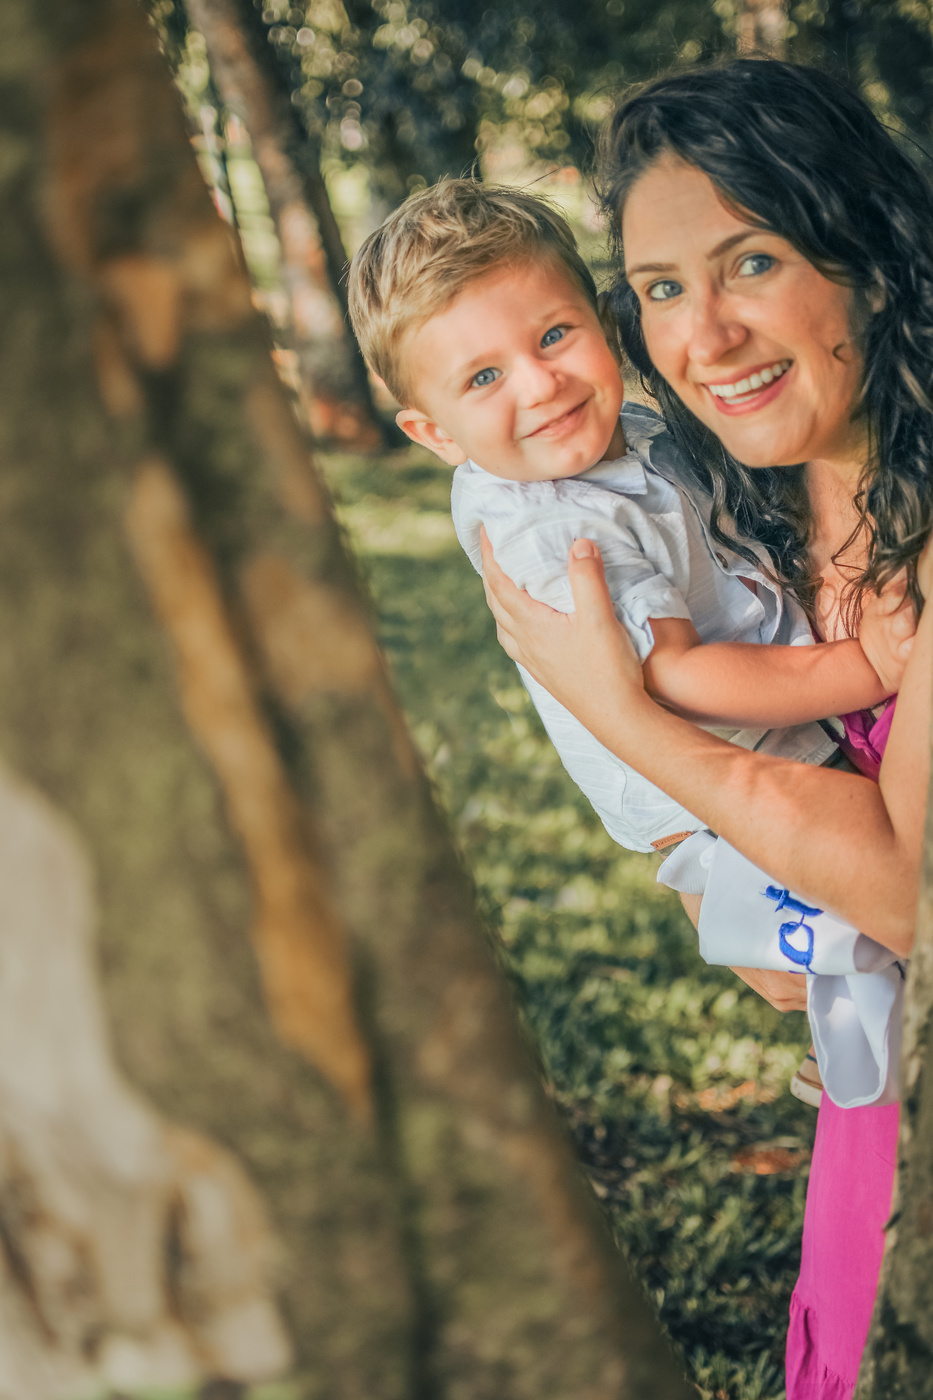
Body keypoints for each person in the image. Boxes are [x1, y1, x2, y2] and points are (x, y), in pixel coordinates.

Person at [480, 59, 933, 1398]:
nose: (706, 337)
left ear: (868, 261)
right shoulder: (742, 501)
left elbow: (906, 887)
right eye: (662, 289)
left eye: (752, 263)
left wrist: (628, 715)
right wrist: (729, 895)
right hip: (880, 1090)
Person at [347, 178, 911, 1106]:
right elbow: (680, 675)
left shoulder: (626, 433)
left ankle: (854, 1049)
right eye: (484, 378)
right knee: (858, 930)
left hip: (745, 754)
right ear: (432, 432)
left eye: (553, 336)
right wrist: (860, 666)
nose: (540, 385)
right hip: (719, 783)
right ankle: (861, 1067)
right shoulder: (553, 529)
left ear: (604, 326)